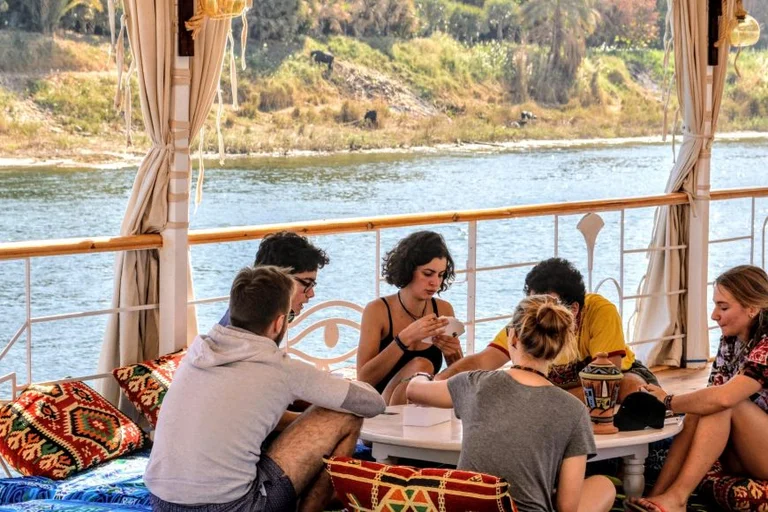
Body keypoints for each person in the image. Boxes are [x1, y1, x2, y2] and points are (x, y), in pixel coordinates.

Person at [145, 266, 386, 512]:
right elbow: (373, 403)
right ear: (279, 322)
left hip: (162, 503)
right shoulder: (280, 368)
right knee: (345, 414)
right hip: (235, 507)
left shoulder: (198, 352)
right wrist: (336, 387)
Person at [406, 294, 616, 512]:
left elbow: (413, 390)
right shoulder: (574, 410)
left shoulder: (475, 383)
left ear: (513, 337)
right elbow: (567, 506)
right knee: (604, 485)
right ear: (562, 345)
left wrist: (422, 374)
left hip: (466, 508)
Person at [625, 265, 768, 512]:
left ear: (752, 308)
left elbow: (723, 398)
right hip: (745, 450)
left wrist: (668, 400)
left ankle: (678, 498)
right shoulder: (732, 340)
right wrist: (679, 404)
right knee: (700, 408)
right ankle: (658, 495)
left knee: (724, 404)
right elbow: (710, 396)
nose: (714, 315)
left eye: (723, 307)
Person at [436, 257, 657, 402]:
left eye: (546, 305)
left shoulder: (600, 311)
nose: (536, 312)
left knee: (630, 386)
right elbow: (483, 360)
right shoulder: (529, 319)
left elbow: (607, 378)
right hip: (555, 392)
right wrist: (438, 381)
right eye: (532, 303)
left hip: (612, 379)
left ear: (574, 309)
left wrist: (546, 402)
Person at [357, 231, 464, 405]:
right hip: (379, 406)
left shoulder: (444, 309)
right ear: (408, 270)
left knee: (425, 370)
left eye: (441, 274)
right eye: (428, 273)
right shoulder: (377, 310)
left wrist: (454, 354)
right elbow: (363, 379)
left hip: (419, 405)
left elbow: (458, 377)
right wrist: (404, 339)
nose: (435, 283)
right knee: (422, 365)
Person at [219, 230, 329, 327]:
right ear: (279, 280)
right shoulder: (257, 329)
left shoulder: (244, 311)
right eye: (306, 283)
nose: (311, 294)